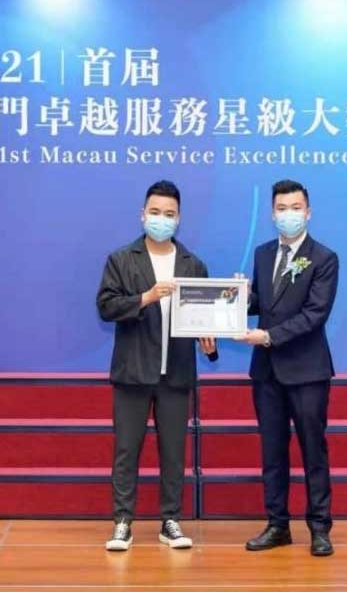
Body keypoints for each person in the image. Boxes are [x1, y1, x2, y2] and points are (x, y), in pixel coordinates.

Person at [96, 180, 216, 551]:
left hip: (175, 373)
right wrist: (146, 297)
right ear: (142, 214)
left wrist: (208, 338)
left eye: (169, 214)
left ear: (178, 219)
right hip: (133, 371)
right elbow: (106, 306)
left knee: (173, 453)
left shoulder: (193, 264)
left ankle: (170, 520)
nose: (161, 219)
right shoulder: (121, 259)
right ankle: (122, 521)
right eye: (155, 212)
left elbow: (205, 315)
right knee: (126, 450)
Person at [235, 179, 339, 557]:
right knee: (272, 452)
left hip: (308, 371)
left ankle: (319, 528)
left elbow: (315, 314)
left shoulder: (324, 258)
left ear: (308, 212)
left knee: (313, 451)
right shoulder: (263, 254)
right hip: (267, 373)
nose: (288, 214)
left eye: (295, 207)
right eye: (281, 208)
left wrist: (268, 337)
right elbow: (263, 304)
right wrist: (237, 297)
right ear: (272, 213)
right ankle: (277, 524)